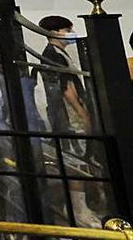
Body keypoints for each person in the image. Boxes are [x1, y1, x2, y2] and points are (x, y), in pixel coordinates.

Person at [37, 15, 102, 227]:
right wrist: (82, 113)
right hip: (68, 117)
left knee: (80, 159)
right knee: (75, 162)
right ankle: (78, 209)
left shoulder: (59, 53)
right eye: (67, 30)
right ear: (55, 32)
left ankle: (80, 206)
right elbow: (66, 88)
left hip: (68, 115)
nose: (69, 34)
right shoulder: (53, 55)